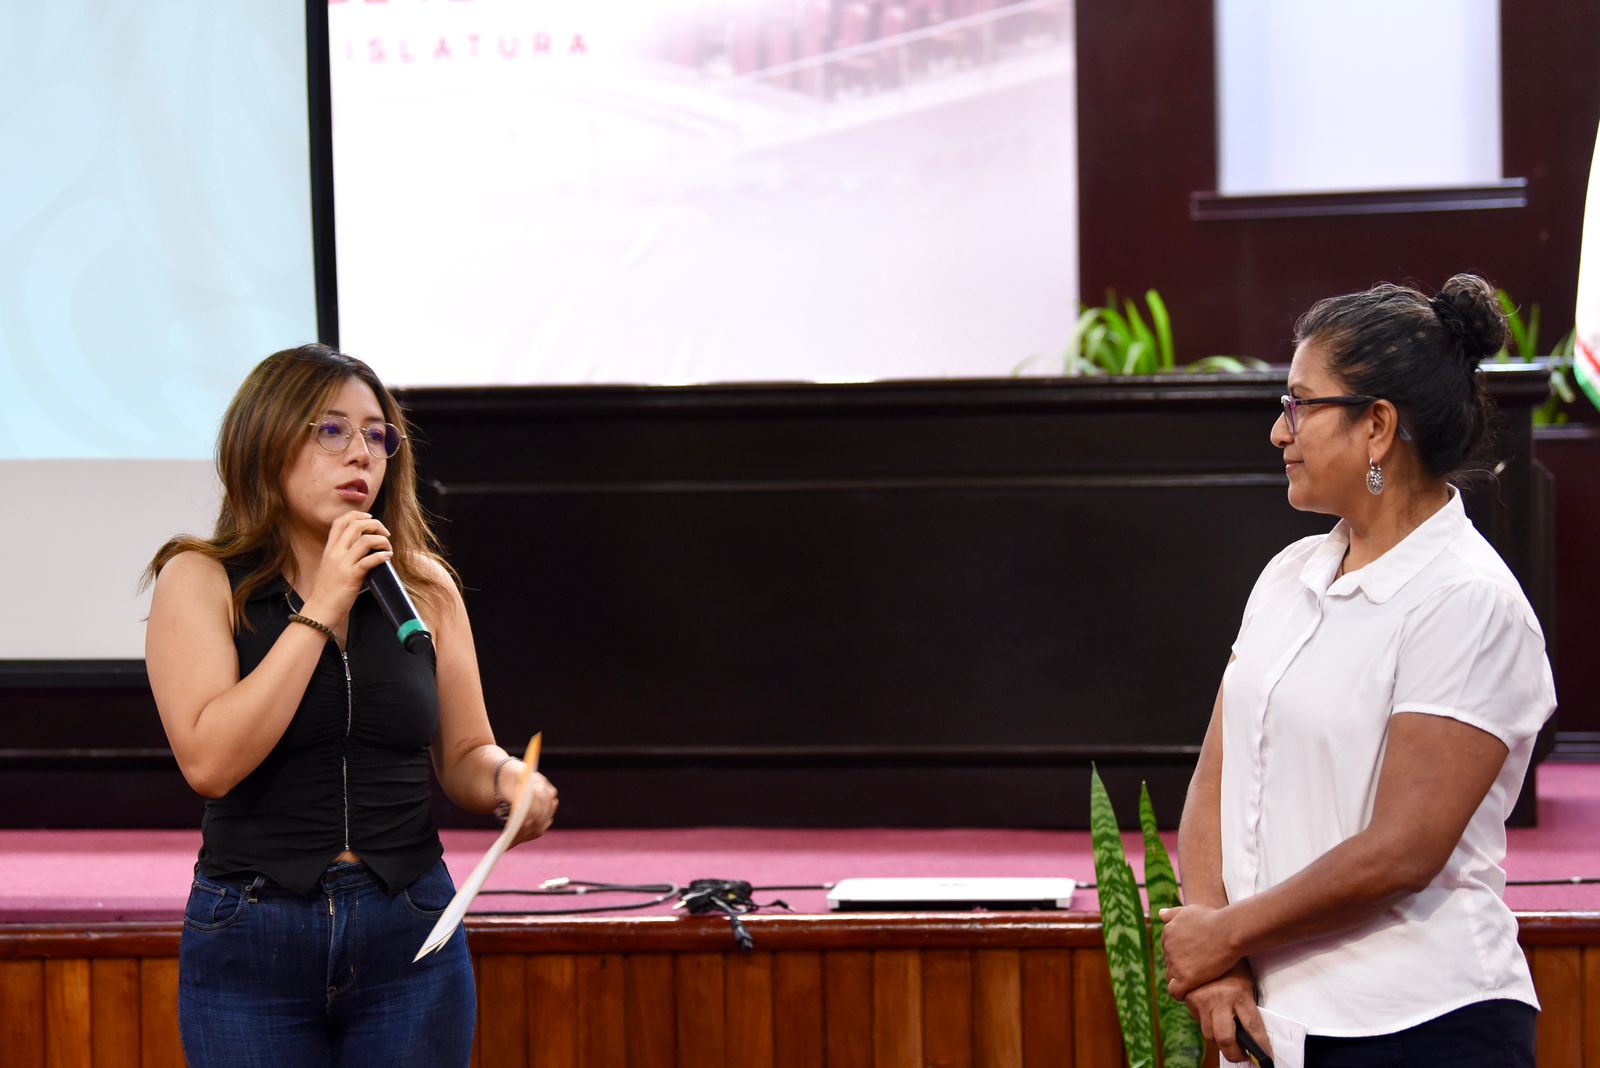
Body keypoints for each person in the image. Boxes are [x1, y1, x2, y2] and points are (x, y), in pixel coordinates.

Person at [1158, 275, 1556, 1066]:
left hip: (1421, 1025)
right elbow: (1216, 776)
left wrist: (1225, 934)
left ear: (1377, 426)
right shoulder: (1289, 573)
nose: (1280, 430)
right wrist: (1218, 959)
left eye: (1301, 405)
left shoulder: (1467, 600)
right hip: (1272, 1018)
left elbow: (1402, 851)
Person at [143, 343, 559, 1067]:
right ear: (266, 439)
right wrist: (323, 605)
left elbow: (465, 752)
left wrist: (507, 780)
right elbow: (211, 763)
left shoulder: (423, 587)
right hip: (253, 928)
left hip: (410, 926)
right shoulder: (201, 578)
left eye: (376, 435)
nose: (361, 454)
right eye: (331, 430)